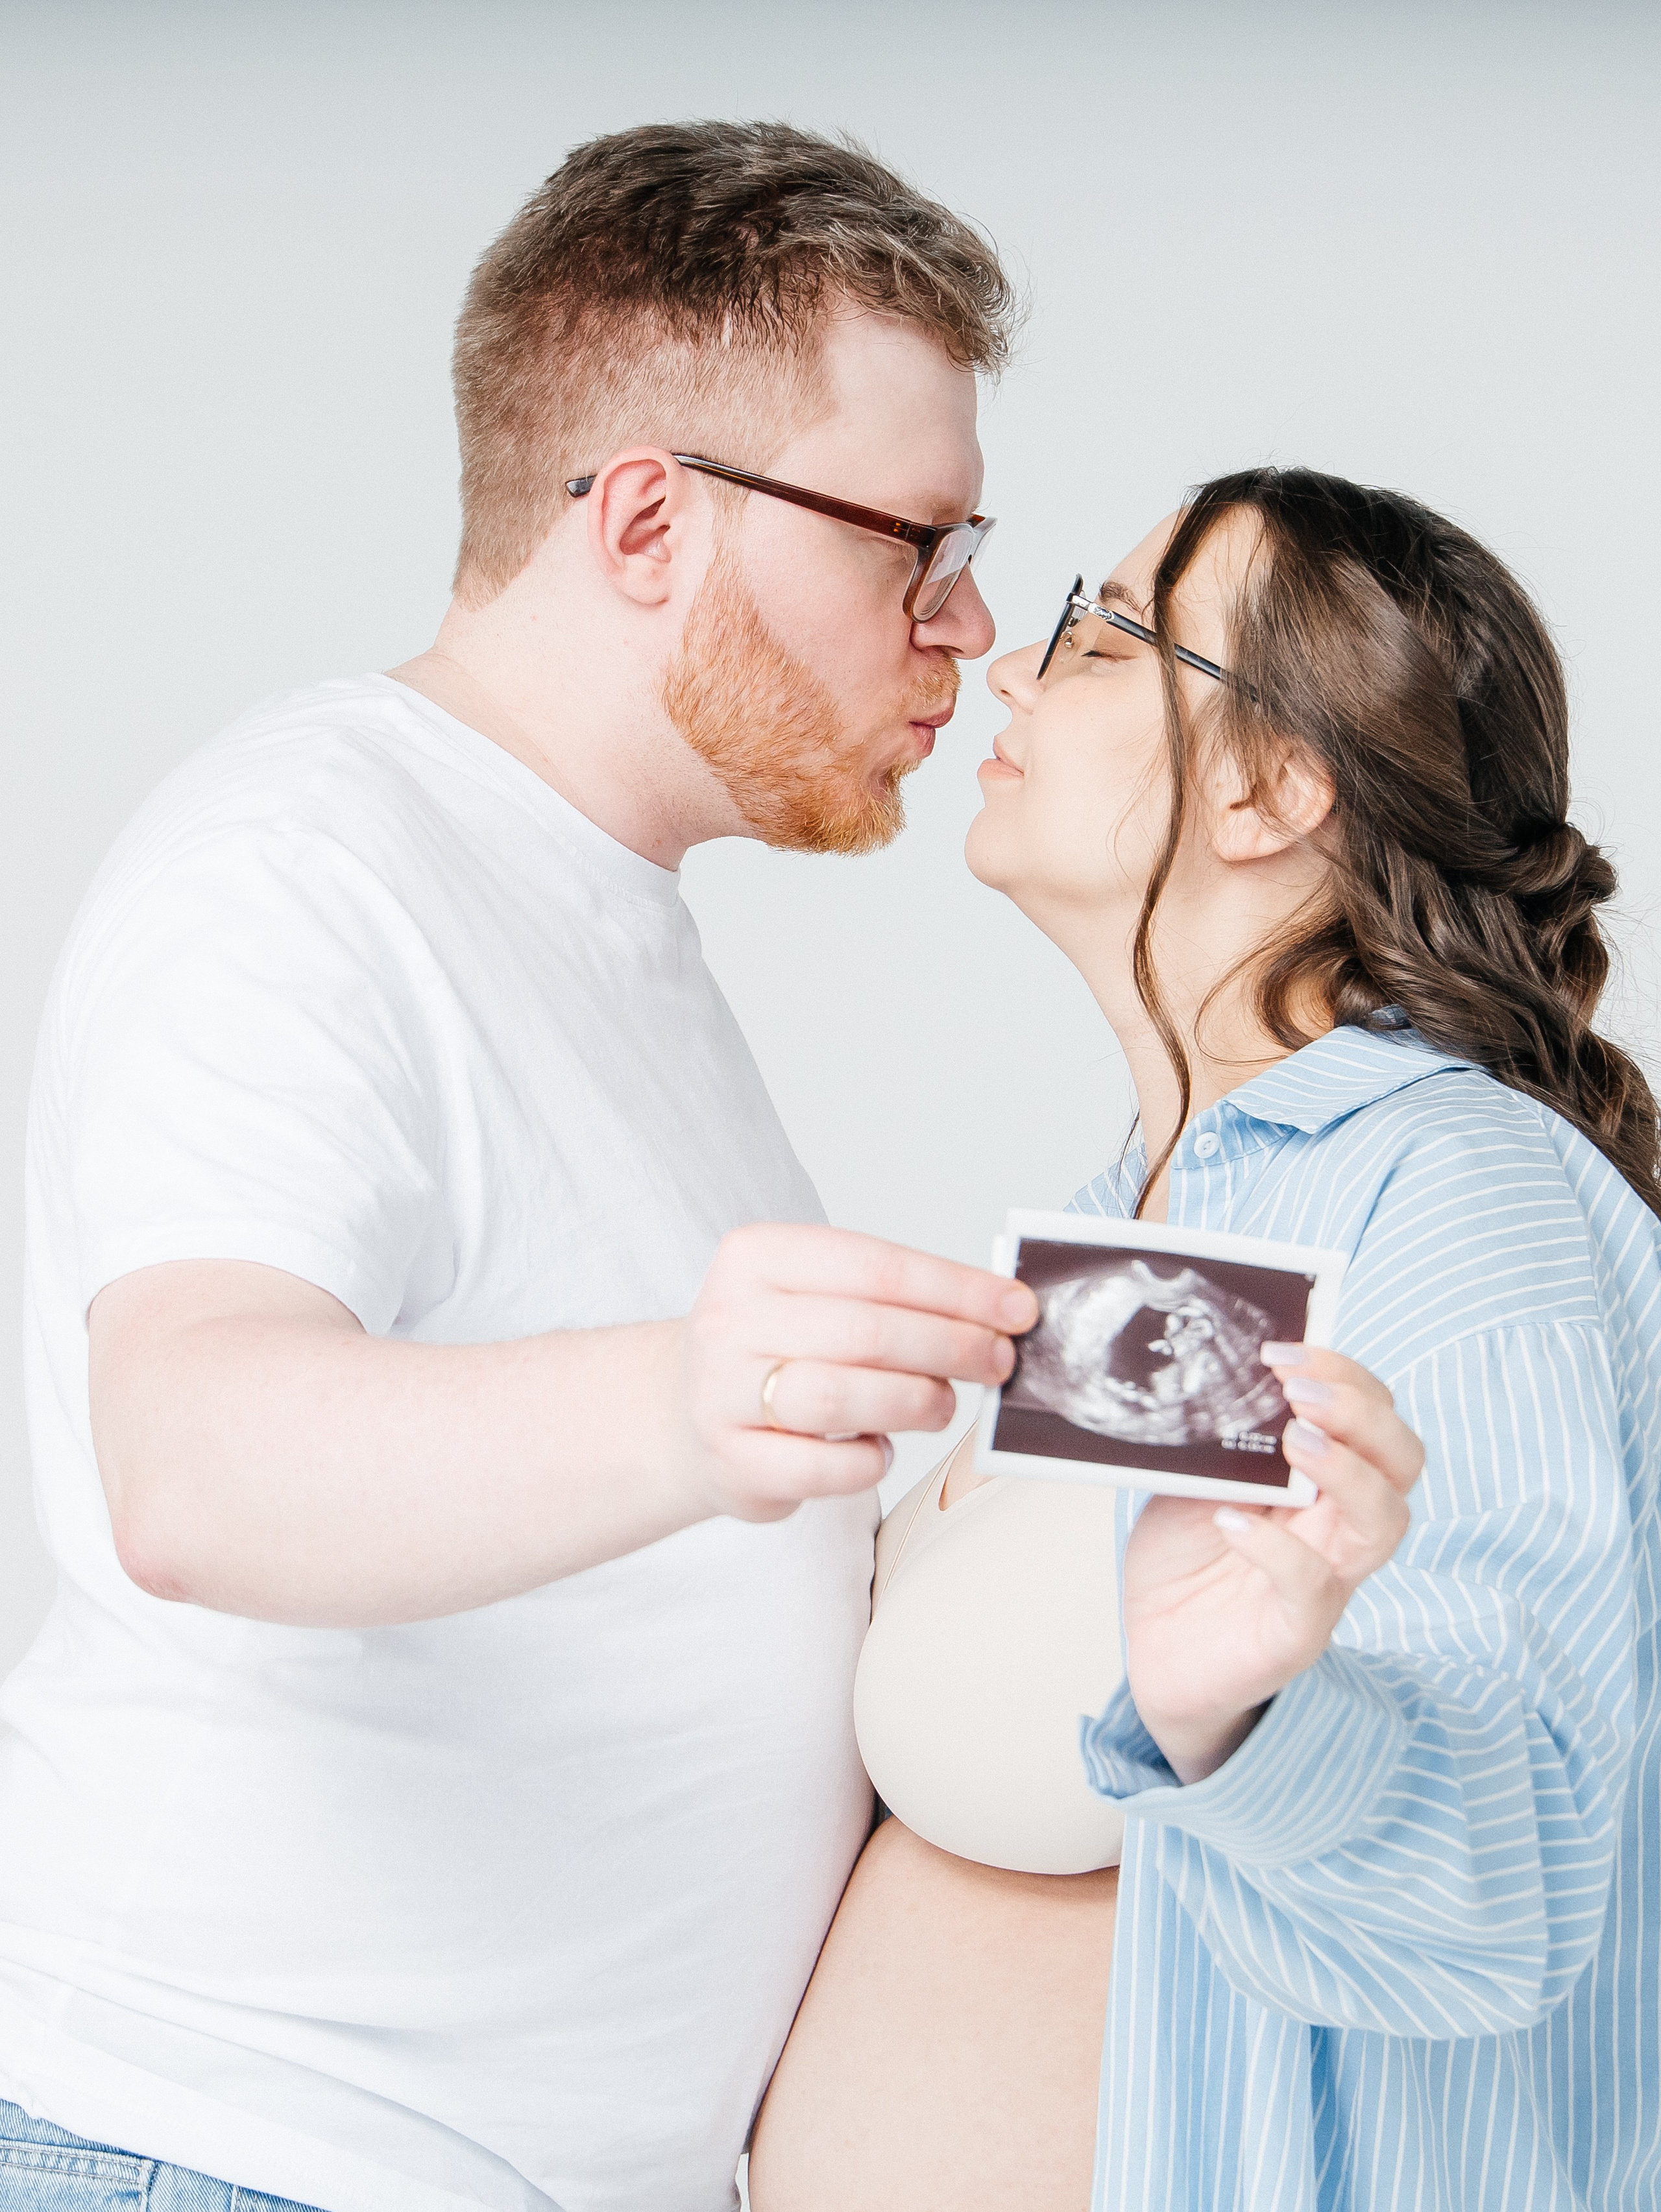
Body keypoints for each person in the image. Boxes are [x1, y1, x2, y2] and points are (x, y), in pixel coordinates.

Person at [0, 123, 1041, 2212]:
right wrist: (690, 1394)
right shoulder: (302, 867)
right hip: (238, 2154)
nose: (969, 619)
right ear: (649, 517)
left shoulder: (600, 915)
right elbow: (195, 1463)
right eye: (909, 539)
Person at [749, 468, 1661, 2211]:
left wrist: (1240, 1724)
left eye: (1099, 637)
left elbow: (1520, 1884)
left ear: (1273, 786)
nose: (1009, 669)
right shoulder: (1155, 1230)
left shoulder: (1455, 1192)